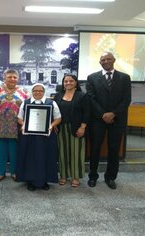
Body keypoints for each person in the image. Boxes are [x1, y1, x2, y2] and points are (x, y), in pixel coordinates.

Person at [86, 52, 131, 190]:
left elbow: (126, 99)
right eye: (103, 59)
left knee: (113, 149)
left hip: (117, 120)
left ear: (114, 60)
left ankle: (110, 177)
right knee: (95, 149)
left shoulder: (124, 77)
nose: (106, 61)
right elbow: (91, 99)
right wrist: (103, 114)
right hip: (97, 120)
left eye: (108, 59)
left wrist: (113, 114)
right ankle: (93, 176)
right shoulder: (92, 78)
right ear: (100, 62)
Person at [16, 83, 61, 191]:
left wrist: (51, 126)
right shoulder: (25, 103)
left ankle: (45, 181)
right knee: (30, 158)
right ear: (32, 91)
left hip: (46, 136)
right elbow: (19, 118)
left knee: (46, 157)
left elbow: (58, 118)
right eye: (35, 90)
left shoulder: (52, 103)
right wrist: (24, 125)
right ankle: (30, 181)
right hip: (29, 136)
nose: (37, 92)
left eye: (40, 91)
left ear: (44, 92)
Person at [0, 69, 29, 183]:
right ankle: (0, 173)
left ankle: (14, 172)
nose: (12, 79)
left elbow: (28, 109)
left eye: (15, 77)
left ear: (18, 79)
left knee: (15, 151)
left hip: (17, 125)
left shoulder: (24, 91)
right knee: (1, 150)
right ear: (4, 77)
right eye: (10, 77)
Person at [54, 74, 90, 187]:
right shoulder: (58, 95)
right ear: (63, 83)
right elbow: (54, 111)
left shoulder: (82, 96)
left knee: (76, 153)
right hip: (61, 128)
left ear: (76, 83)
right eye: (65, 81)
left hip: (76, 128)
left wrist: (83, 127)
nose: (68, 83)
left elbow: (87, 112)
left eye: (71, 81)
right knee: (62, 152)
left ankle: (75, 176)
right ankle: (63, 175)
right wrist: (54, 124)